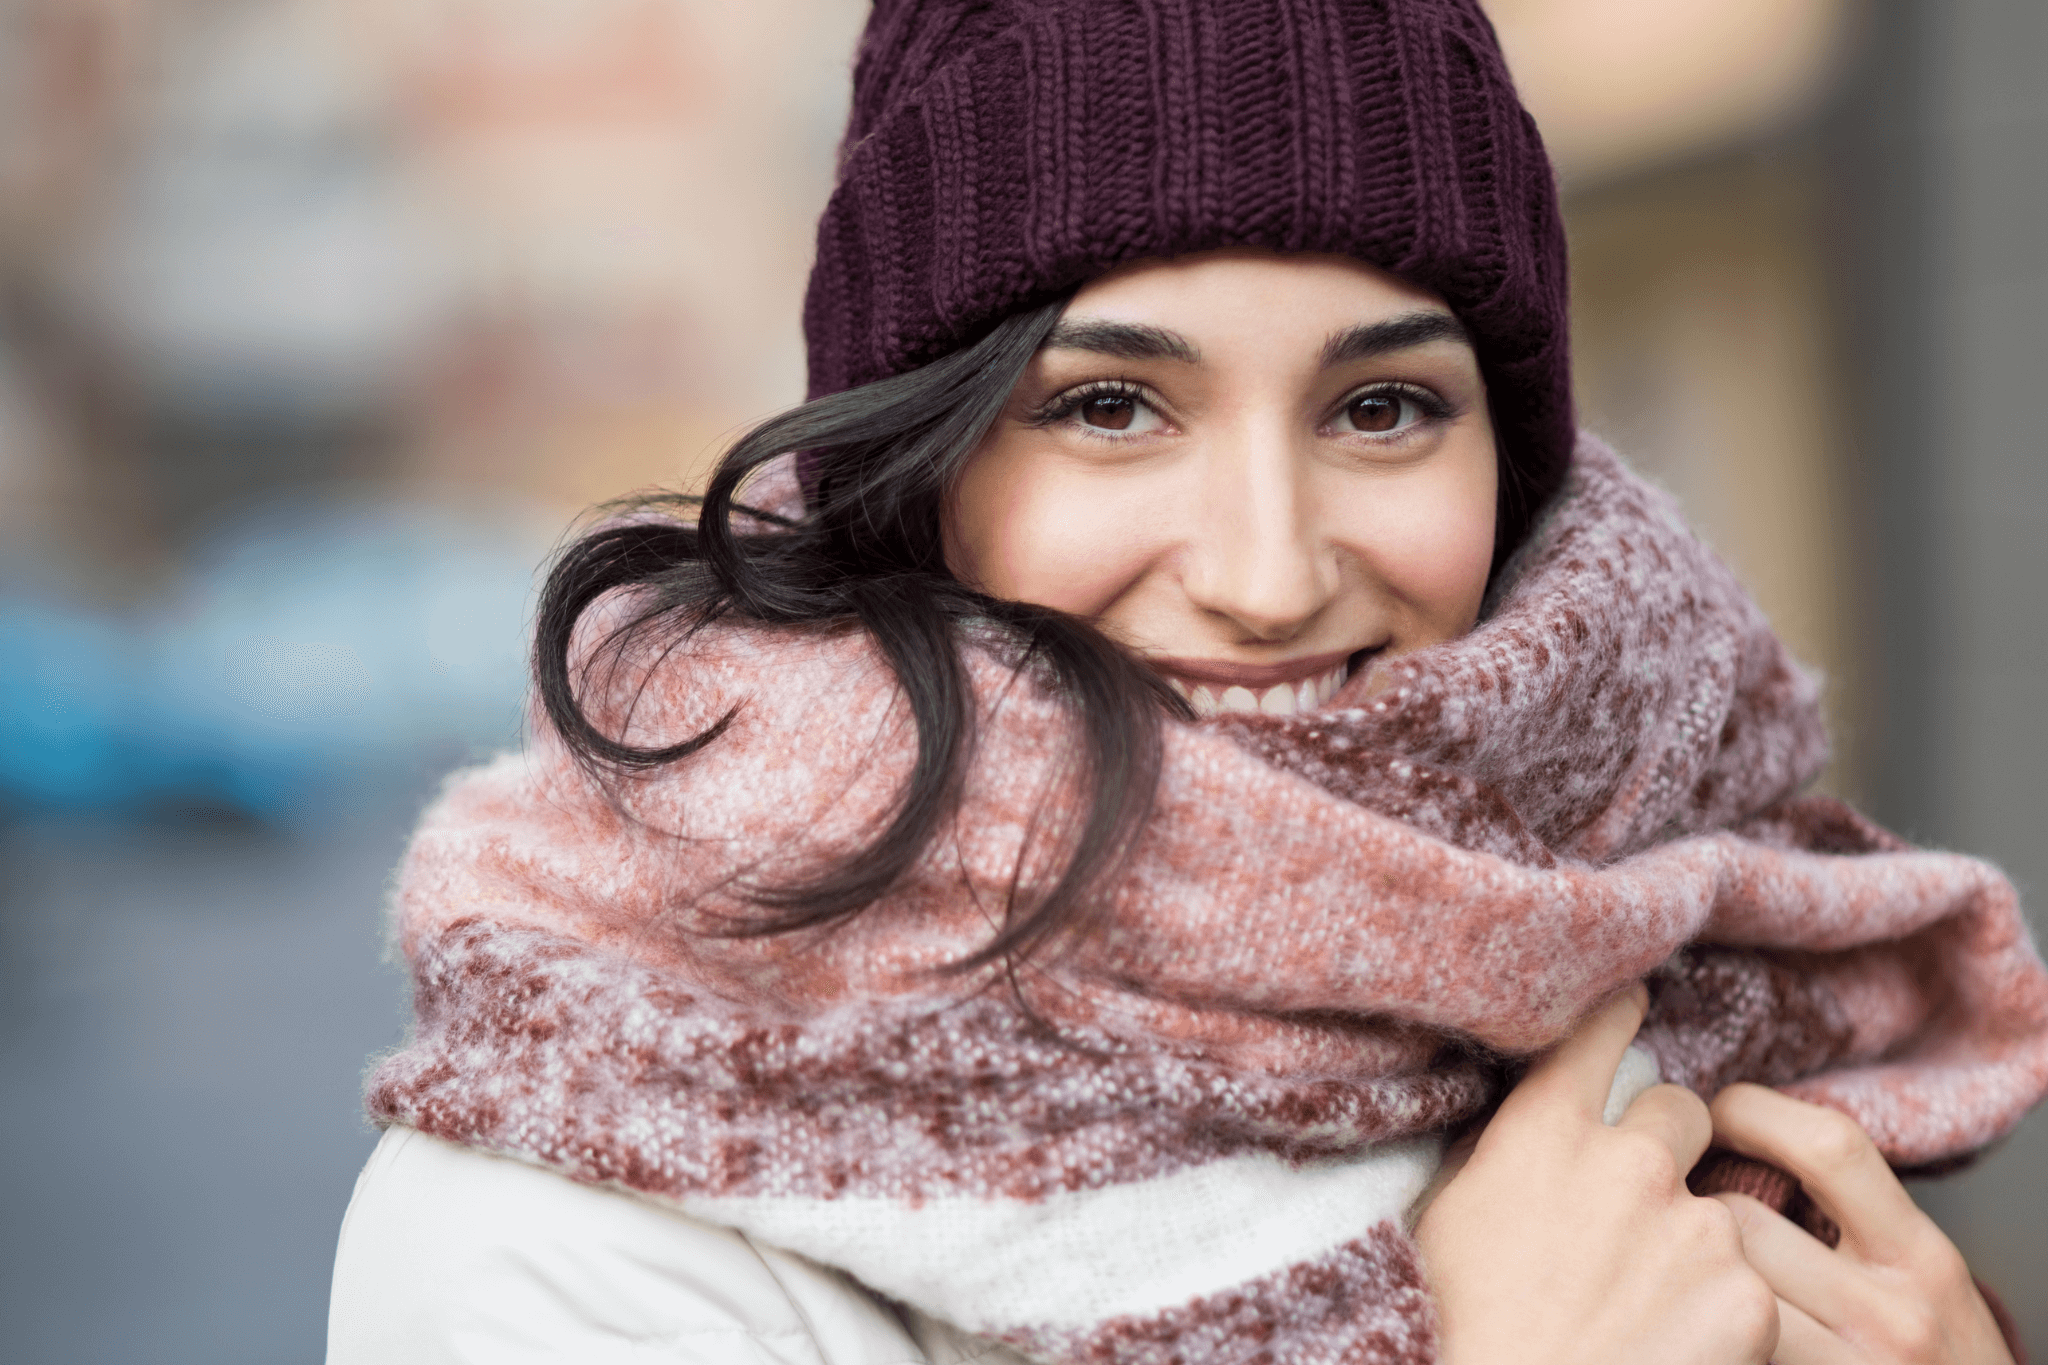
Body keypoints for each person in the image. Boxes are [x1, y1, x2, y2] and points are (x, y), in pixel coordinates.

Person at [328, 2, 2046, 1362]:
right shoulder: (583, 1200)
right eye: (1108, 406)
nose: (1267, 569)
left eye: (1383, 409)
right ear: (912, 467)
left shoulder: (1691, 972)